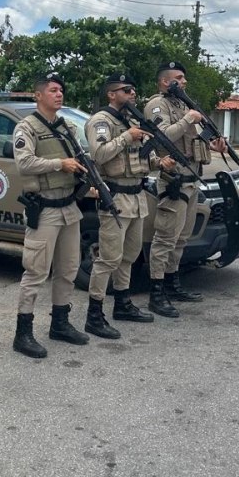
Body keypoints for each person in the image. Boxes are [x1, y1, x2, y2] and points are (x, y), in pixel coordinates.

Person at [83, 73, 177, 338]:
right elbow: (99, 154)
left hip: (137, 197)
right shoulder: (101, 121)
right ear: (112, 94)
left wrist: (159, 163)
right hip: (116, 197)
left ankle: (122, 303)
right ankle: (94, 313)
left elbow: (139, 160)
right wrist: (126, 136)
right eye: (126, 89)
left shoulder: (133, 121)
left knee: (130, 255)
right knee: (108, 258)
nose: (133, 93)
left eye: (133, 89)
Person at [12, 73, 90, 358]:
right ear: (39, 95)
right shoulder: (26, 128)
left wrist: (86, 178)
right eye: (53, 90)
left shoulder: (68, 126)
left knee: (68, 269)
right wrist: (60, 164)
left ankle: (60, 323)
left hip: (69, 206)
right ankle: (23, 333)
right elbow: (24, 163)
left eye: (61, 90)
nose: (59, 94)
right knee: (35, 272)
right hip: (44, 209)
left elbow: (80, 160)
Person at [144, 61, 227, 317]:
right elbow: (163, 136)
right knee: (165, 238)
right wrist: (189, 119)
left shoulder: (182, 104)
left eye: (184, 77)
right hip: (173, 181)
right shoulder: (157, 105)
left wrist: (214, 146)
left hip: (191, 180)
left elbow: (189, 142)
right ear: (164, 82)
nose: (184, 81)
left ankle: (172, 283)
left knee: (180, 239)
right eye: (179, 77)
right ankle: (156, 293)